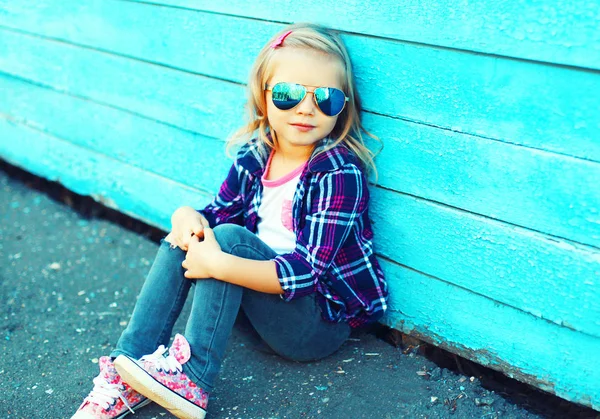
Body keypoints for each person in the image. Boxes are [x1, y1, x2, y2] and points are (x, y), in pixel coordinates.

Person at [72, 23, 388, 419]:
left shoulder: (338, 173)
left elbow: (307, 272)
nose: (306, 109)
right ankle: (127, 370)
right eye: (289, 95)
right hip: (257, 316)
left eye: (326, 98)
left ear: (343, 107)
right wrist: (186, 217)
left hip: (314, 326)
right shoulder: (257, 155)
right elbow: (218, 212)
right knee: (194, 234)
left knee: (230, 240)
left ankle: (194, 377)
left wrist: (220, 262)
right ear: (264, 97)